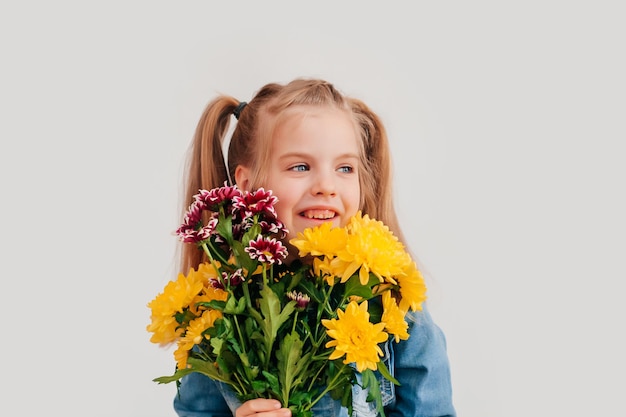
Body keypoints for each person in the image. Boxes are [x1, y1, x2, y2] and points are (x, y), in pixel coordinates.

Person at [171, 78, 456, 417]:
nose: (326, 186)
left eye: (345, 168)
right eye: (301, 167)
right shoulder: (219, 315)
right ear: (247, 184)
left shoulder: (398, 312)